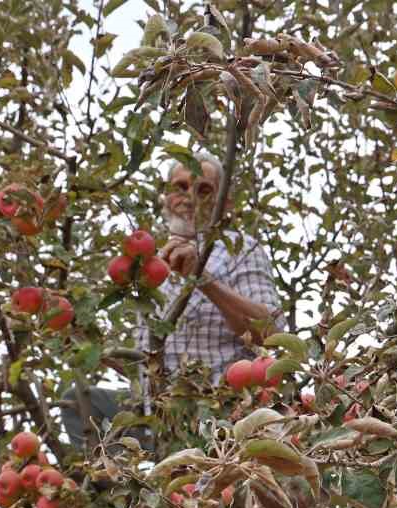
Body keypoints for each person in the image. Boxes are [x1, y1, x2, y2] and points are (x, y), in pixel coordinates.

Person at [59, 154, 279, 450]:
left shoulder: (238, 249)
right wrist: (88, 343)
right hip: (156, 417)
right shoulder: (149, 261)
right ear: (166, 196)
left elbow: (269, 333)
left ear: (223, 203)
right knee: (77, 401)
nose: (189, 197)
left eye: (203, 190)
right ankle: (118, 492)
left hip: (219, 414)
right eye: (181, 187)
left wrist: (203, 277)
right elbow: (149, 364)